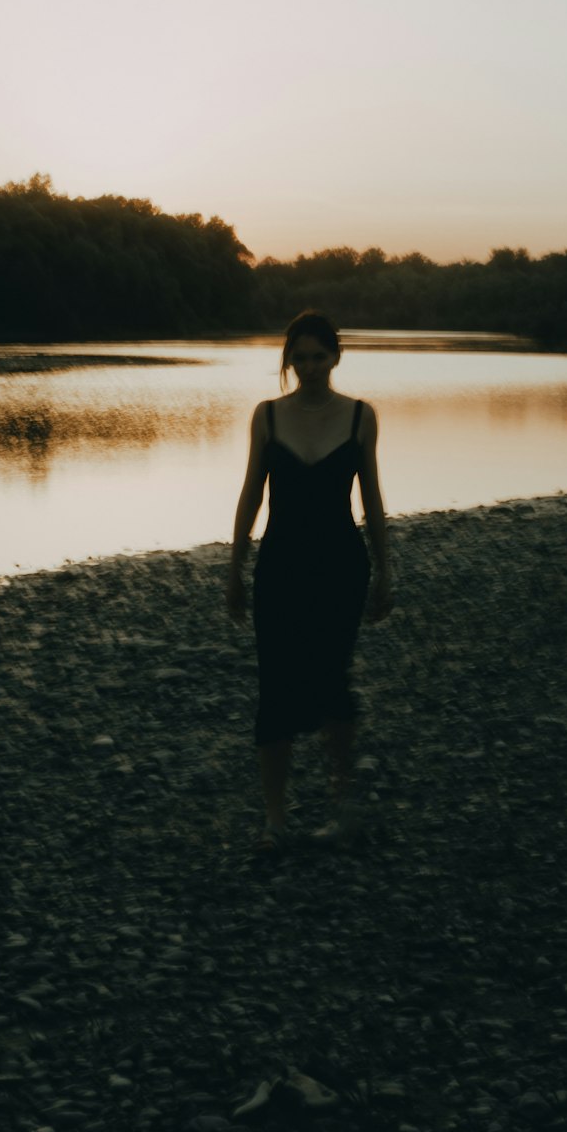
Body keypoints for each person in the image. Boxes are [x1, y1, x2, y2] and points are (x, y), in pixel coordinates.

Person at [226, 310, 391, 851]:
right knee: (275, 686)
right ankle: (276, 819)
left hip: (342, 566)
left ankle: (342, 804)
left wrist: (385, 572)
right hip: (280, 566)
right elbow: (251, 493)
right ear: (288, 361)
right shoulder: (267, 417)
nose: (309, 367)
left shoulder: (361, 416)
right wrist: (235, 568)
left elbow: (371, 499)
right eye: (299, 358)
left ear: (336, 358)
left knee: (331, 680)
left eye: (319, 357)